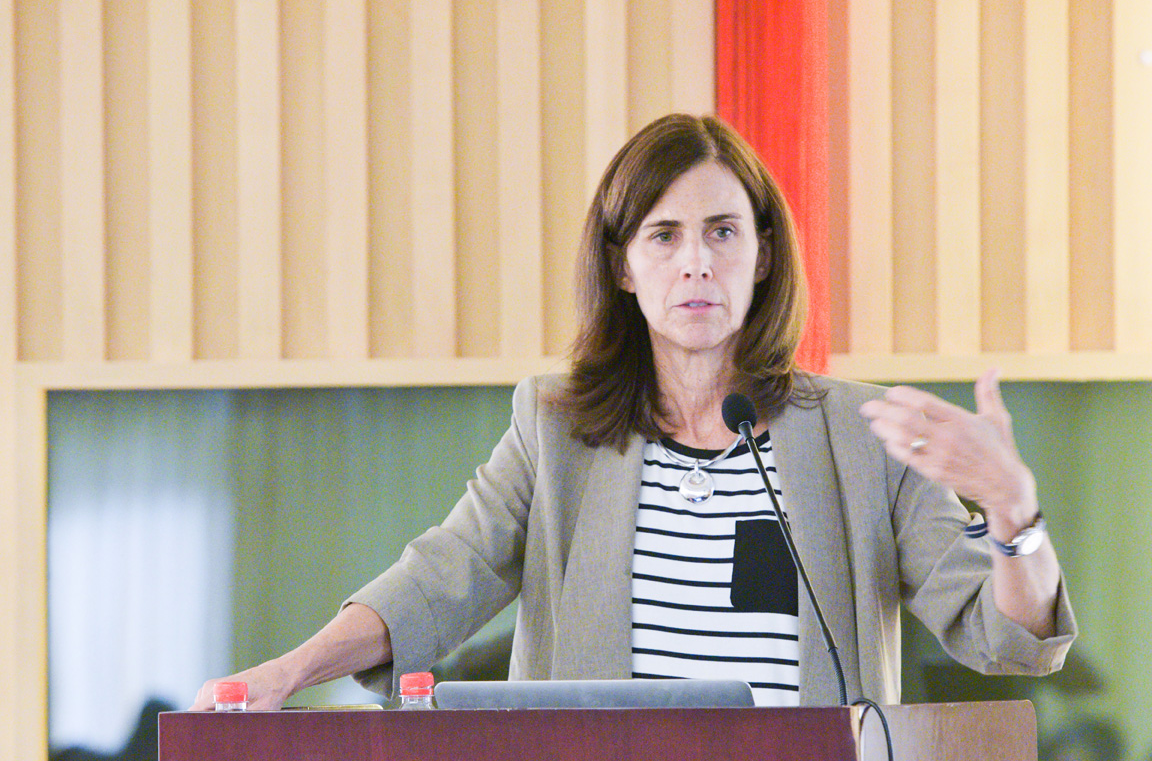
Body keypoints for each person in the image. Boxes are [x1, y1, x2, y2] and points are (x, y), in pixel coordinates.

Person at [192, 113, 1075, 710]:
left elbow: (1010, 636)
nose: (697, 262)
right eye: (664, 234)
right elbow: (440, 578)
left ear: (764, 254)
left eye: (723, 231)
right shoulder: (556, 430)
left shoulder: (860, 437)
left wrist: (1014, 512)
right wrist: (290, 672)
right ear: (622, 265)